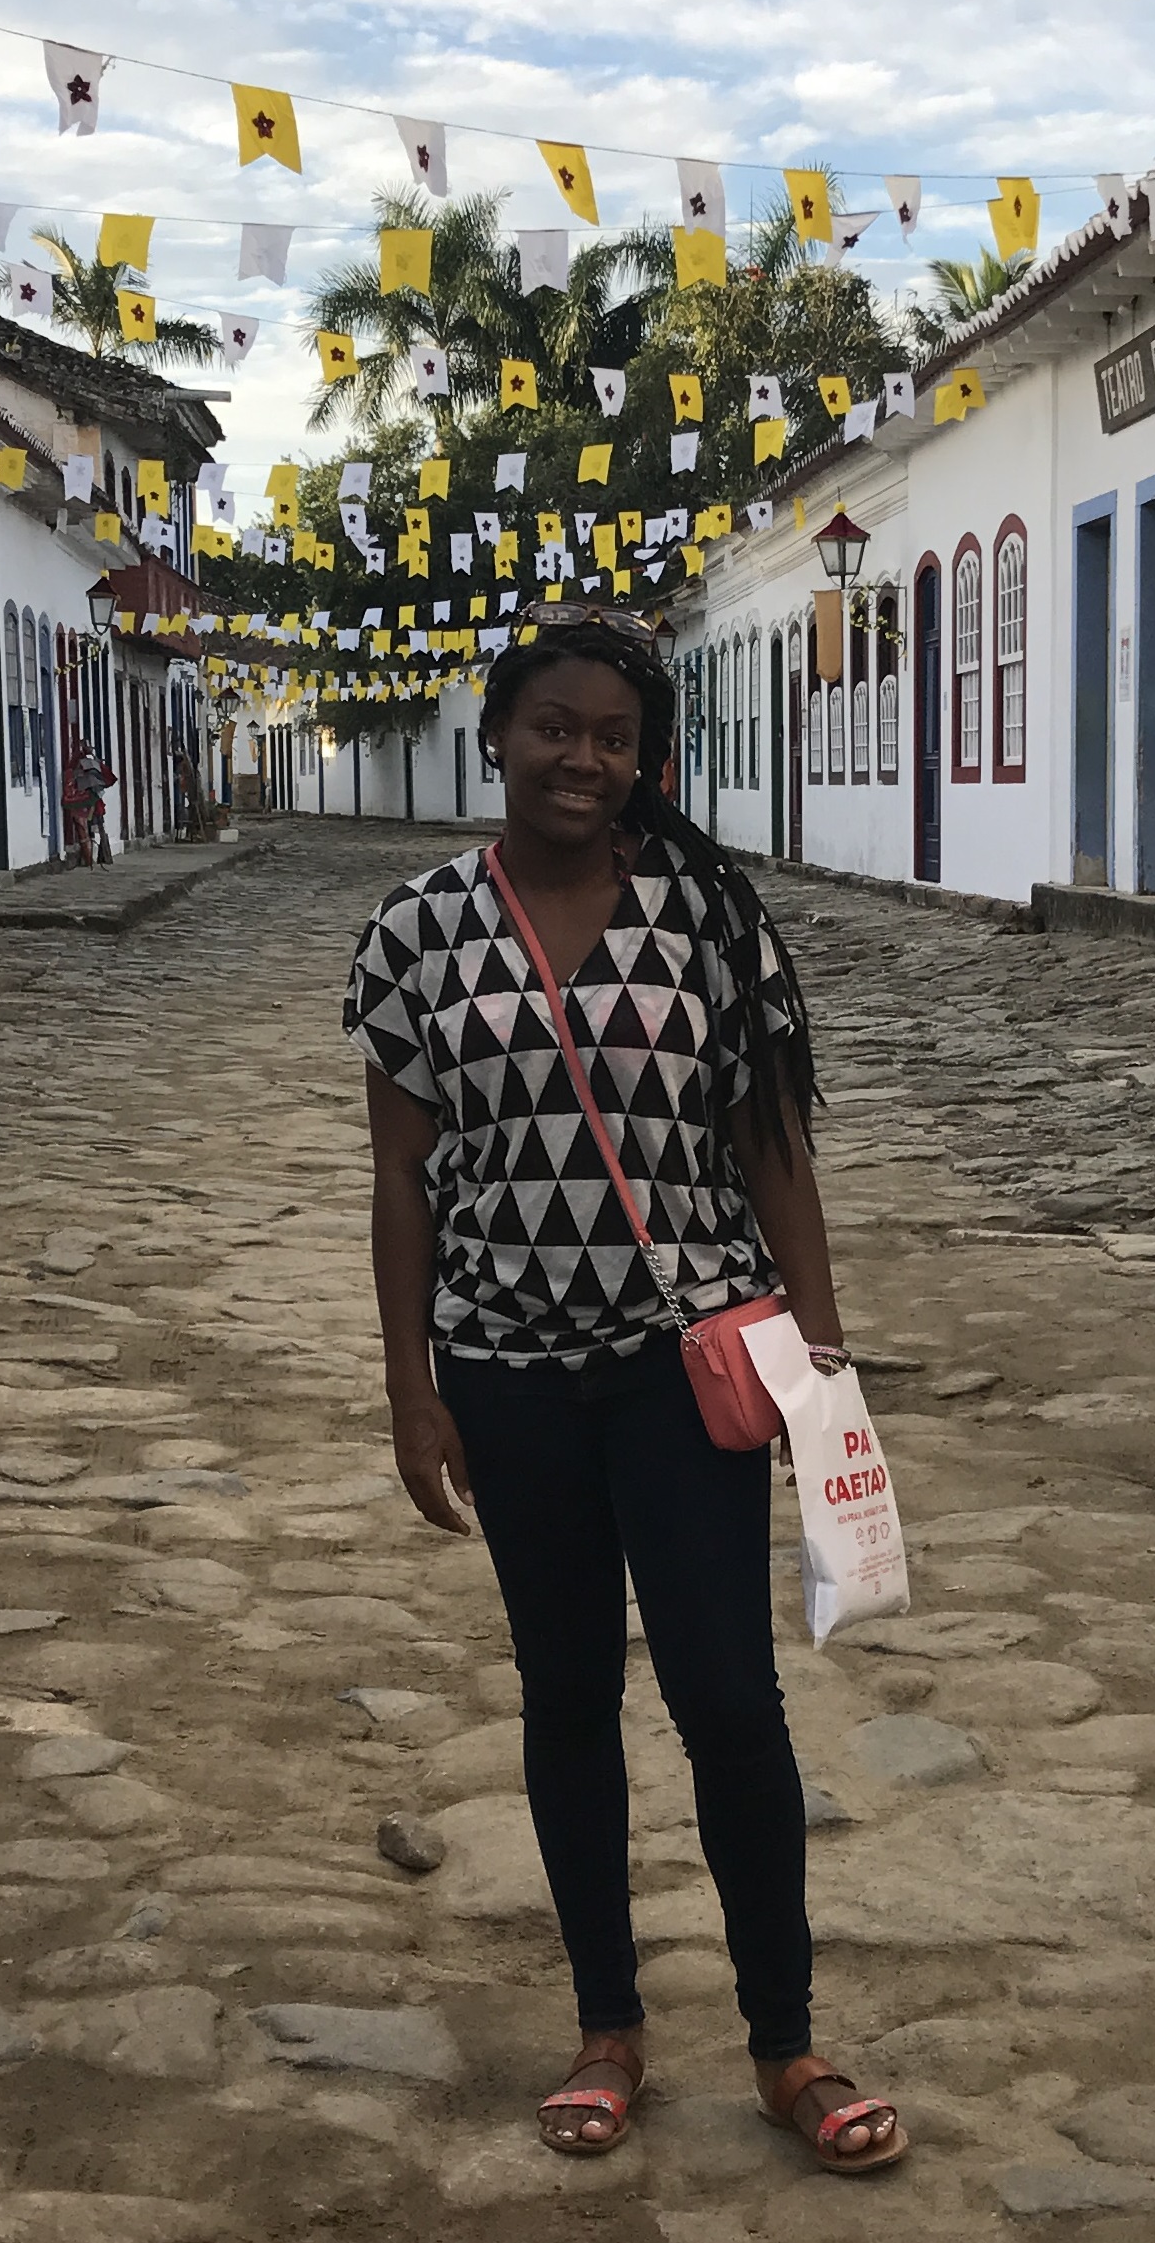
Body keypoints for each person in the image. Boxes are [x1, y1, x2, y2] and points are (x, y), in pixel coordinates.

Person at [346, 603, 908, 2177]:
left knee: (730, 1695)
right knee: (568, 1694)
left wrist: (822, 1352)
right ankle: (608, 2028)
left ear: (647, 758)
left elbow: (772, 1141)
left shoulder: (711, 919)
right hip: (507, 1372)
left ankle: (787, 2041)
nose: (581, 757)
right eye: (554, 728)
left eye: (613, 736)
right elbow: (400, 1177)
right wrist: (409, 1384)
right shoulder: (417, 930)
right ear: (497, 738)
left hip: (687, 1366)